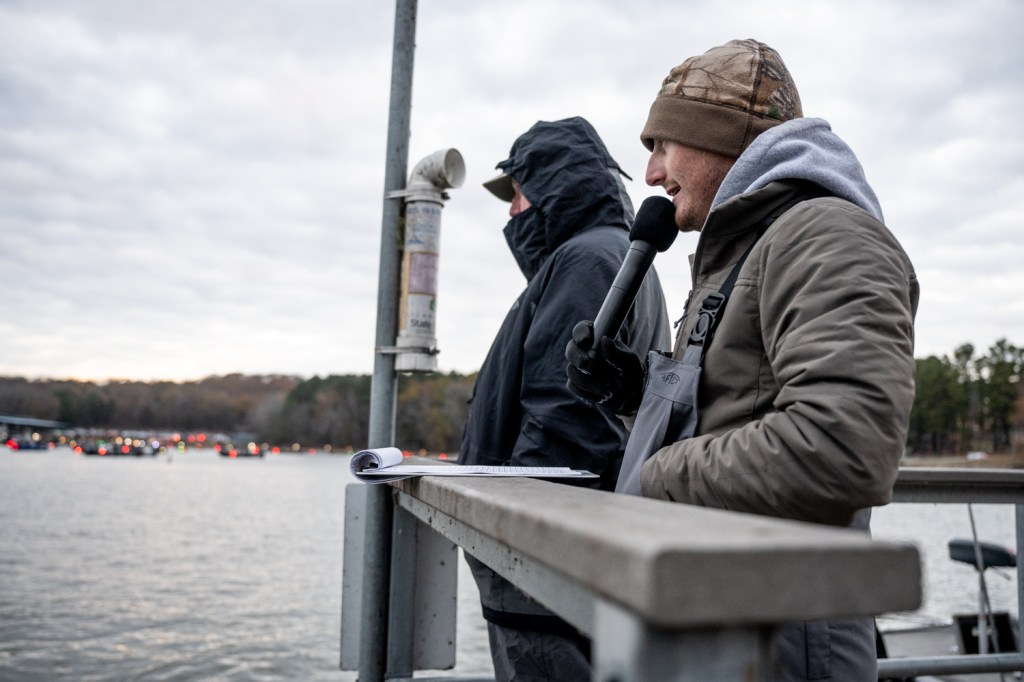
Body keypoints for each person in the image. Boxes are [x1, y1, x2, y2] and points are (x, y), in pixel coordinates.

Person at [565, 39, 919, 681]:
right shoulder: (743, 252)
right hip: (713, 622)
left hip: (782, 640)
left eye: (661, 145)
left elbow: (842, 448)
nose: (651, 174)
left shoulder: (825, 236)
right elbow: (735, 411)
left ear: (718, 137)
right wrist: (631, 394)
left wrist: (651, 474)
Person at [462, 115, 670, 681]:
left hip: (542, 574)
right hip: (560, 568)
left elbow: (566, 414)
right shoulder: (603, 256)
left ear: (555, 188)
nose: (512, 212)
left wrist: (514, 538)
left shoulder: (587, 261)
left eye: (519, 193)